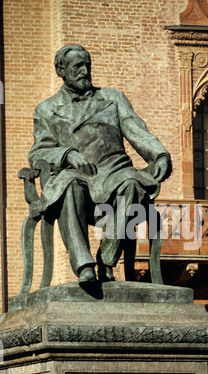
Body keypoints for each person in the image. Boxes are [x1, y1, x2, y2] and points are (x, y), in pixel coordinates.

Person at [28, 44, 172, 284]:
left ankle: (106, 258)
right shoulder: (47, 109)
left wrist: (159, 156)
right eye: (78, 66)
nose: (84, 70)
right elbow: (37, 153)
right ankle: (84, 265)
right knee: (69, 186)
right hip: (77, 175)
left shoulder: (113, 98)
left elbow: (138, 131)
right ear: (61, 70)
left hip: (114, 171)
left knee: (134, 184)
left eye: (87, 65)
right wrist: (66, 154)